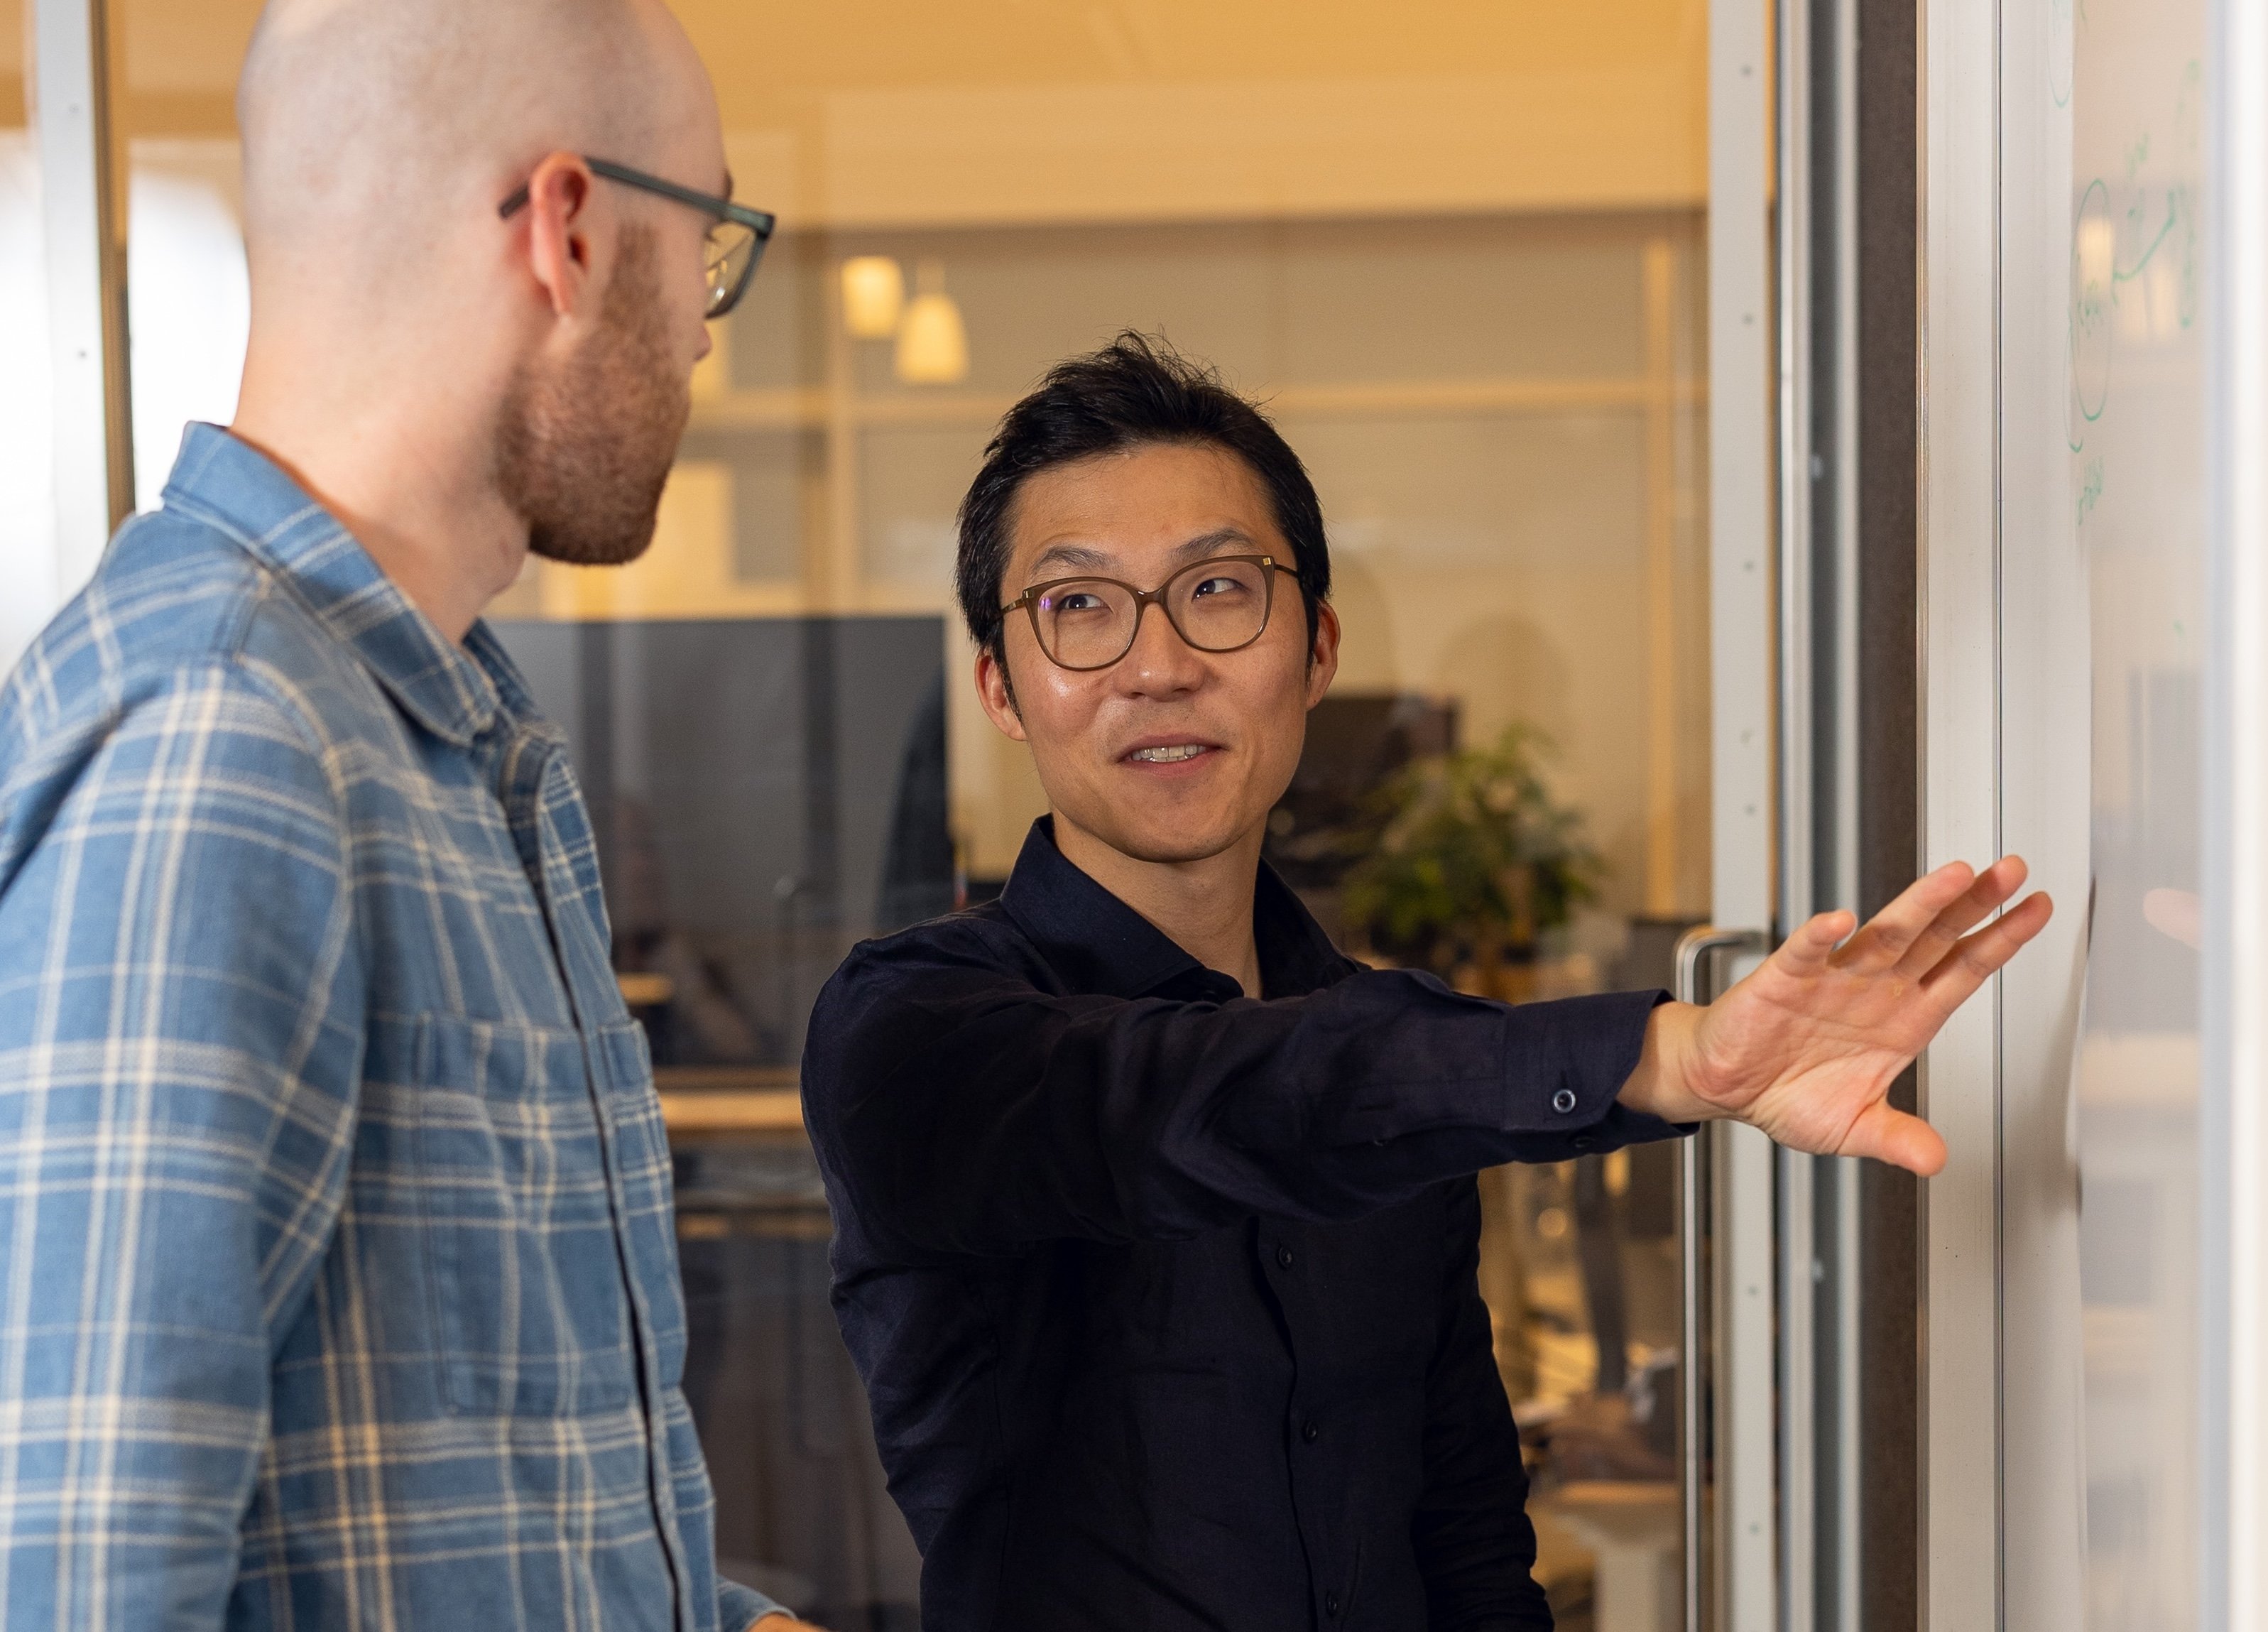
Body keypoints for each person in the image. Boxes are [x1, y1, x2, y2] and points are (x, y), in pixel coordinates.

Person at [801, 334, 2052, 1630]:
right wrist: (1668, 1056)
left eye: (1217, 589)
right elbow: (1197, 1099)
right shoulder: (912, 1031)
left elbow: (1463, 1539)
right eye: (1079, 606)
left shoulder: (1393, 1059)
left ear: (1318, 649)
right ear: (1003, 687)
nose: (1158, 663)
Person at [0, 1, 820, 1627]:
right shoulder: (223, 734)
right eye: (706, 244)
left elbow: (459, 1513)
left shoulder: (454, 738)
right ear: (570, 231)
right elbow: (79, 1576)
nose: (709, 331)